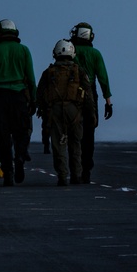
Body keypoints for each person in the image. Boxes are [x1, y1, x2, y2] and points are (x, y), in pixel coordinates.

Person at [0, 19, 37, 185]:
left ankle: (8, 172)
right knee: (21, 133)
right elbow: (31, 79)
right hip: (18, 97)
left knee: (3, 138)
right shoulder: (24, 50)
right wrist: (34, 101)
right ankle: (20, 157)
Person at [37, 40, 91, 186]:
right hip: (75, 111)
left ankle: (62, 176)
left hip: (54, 111)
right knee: (75, 143)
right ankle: (76, 175)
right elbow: (88, 95)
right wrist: (91, 114)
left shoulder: (48, 72)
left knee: (58, 144)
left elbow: (40, 93)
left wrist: (42, 111)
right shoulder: (79, 71)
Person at [69, 22, 113, 184]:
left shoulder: (69, 50)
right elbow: (103, 78)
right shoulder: (95, 54)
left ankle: (74, 168)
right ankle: (86, 169)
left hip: (70, 96)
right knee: (89, 133)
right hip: (89, 95)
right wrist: (108, 102)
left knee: (72, 134)